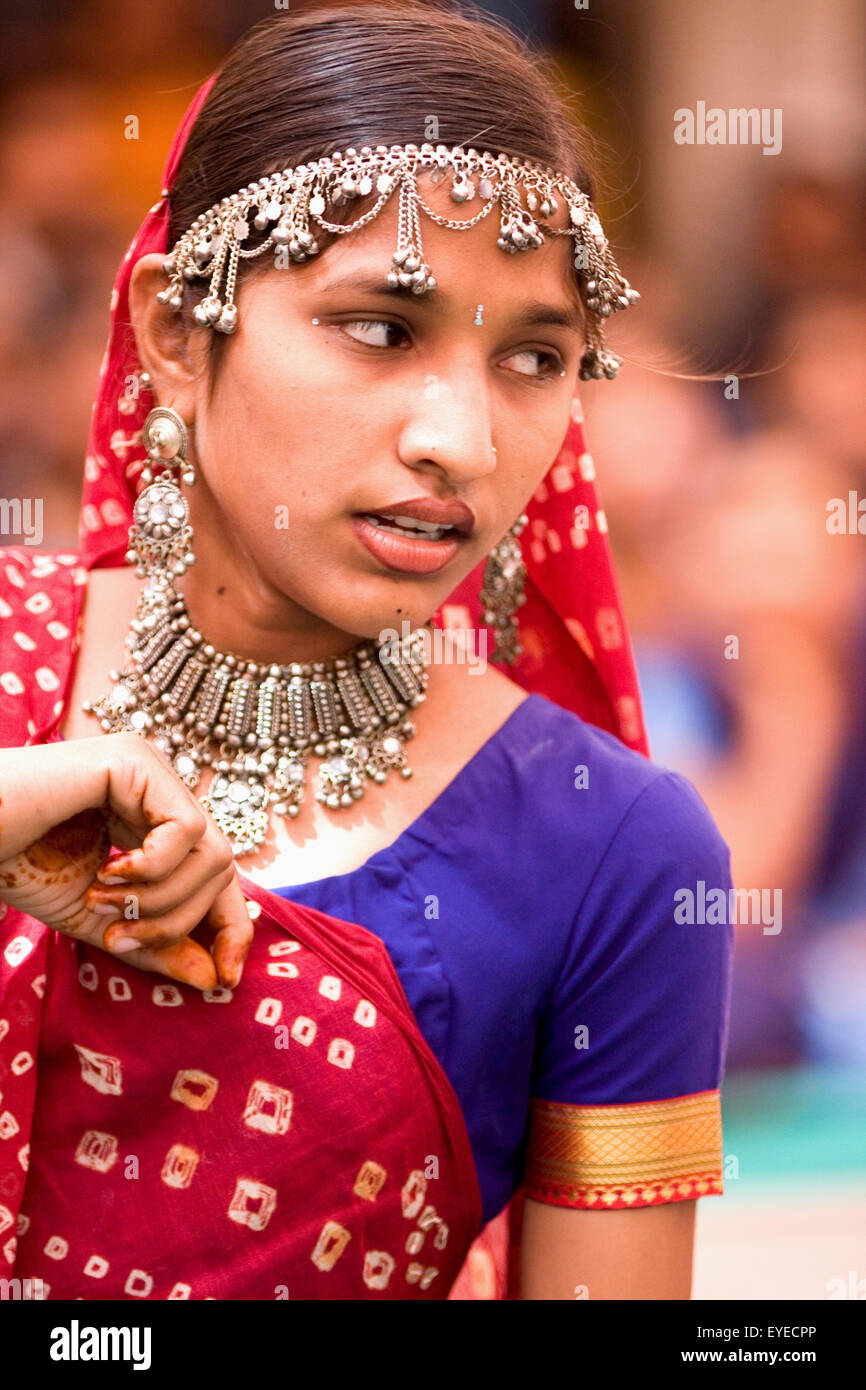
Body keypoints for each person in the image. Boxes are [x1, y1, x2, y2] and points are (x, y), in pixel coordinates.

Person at [0, 1, 733, 1301]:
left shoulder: (611, 851)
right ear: (178, 330)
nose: (458, 438)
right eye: (382, 329)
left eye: (533, 356)